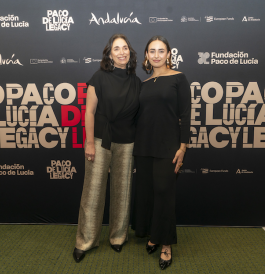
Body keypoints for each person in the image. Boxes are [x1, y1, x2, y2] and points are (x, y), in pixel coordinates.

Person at [73, 34, 141, 263]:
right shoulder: (99, 77)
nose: (122, 52)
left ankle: (118, 238)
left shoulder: (136, 81)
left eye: (125, 48)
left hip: (128, 142)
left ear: (130, 53)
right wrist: (89, 142)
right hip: (101, 140)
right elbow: (89, 112)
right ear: (109, 54)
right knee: (92, 192)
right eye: (116, 49)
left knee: (122, 192)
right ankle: (85, 241)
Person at [132, 35, 191, 270]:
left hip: (169, 147)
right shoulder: (143, 84)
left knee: (165, 194)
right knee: (147, 194)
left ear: (168, 54)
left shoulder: (179, 78)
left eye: (161, 50)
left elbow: (185, 115)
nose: (156, 55)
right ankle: (154, 236)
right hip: (144, 147)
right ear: (146, 55)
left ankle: (166, 244)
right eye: (152, 51)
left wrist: (183, 147)